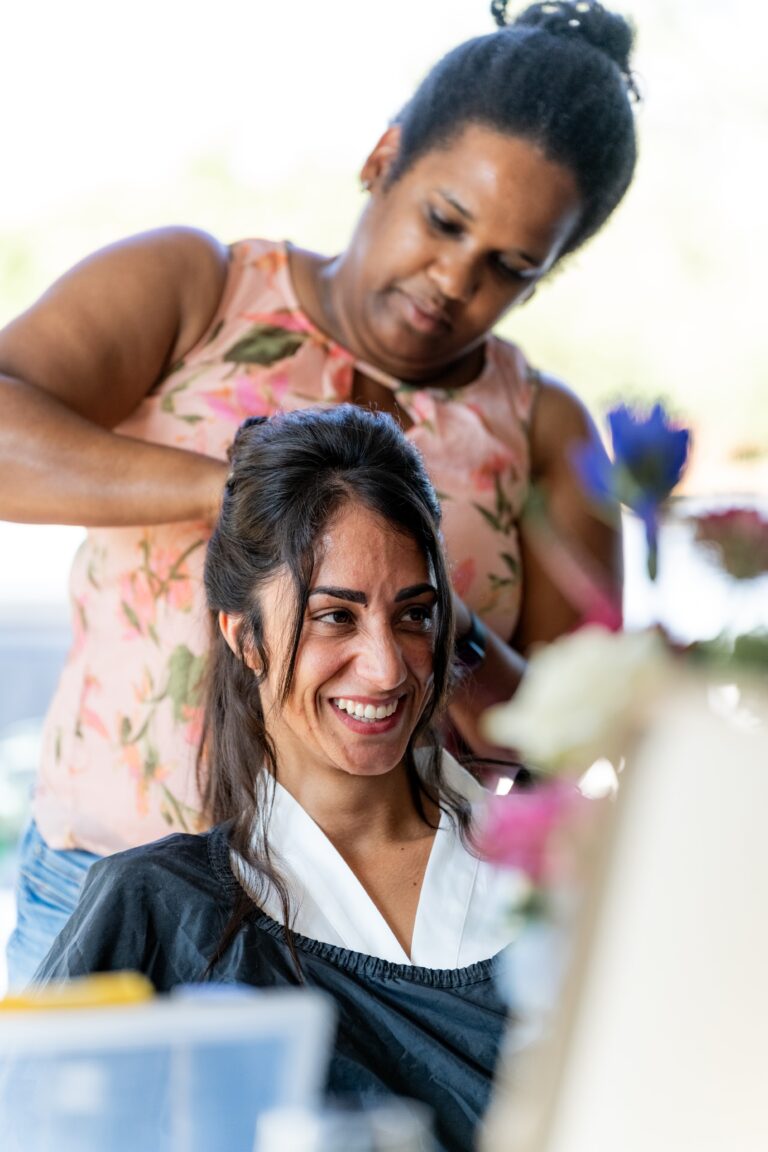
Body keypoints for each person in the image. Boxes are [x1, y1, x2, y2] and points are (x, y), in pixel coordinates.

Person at [1, 0, 636, 986]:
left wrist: (426, 616)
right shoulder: (198, 290)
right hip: (99, 885)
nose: (452, 280)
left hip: (366, 938)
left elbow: (571, 733)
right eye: (444, 220)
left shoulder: (542, 429)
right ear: (383, 159)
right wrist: (252, 502)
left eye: (510, 267)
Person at [36, 405, 518, 1152]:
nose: (387, 667)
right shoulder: (159, 914)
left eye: (415, 616)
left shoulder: (552, 873)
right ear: (245, 636)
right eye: (336, 618)